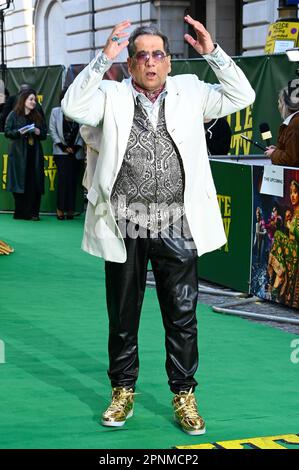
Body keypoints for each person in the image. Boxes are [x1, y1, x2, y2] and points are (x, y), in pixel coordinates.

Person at [62, 17, 255, 435]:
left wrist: (213, 53)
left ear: (169, 61)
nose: (151, 62)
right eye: (141, 55)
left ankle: (184, 393)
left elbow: (243, 94)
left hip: (176, 221)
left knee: (183, 315)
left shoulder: (191, 91)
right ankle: (122, 390)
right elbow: (74, 107)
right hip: (125, 220)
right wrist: (102, 59)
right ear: (130, 64)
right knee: (123, 314)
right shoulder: (110, 95)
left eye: (158, 55)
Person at [5, 89, 47, 221]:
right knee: (20, 182)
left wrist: (38, 131)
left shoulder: (37, 115)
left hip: (34, 154)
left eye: (35, 100)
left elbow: (44, 134)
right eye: (31, 99)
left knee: (34, 182)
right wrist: (19, 132)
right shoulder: (14, 114)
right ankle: (21, 213)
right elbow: (7, 131)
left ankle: (34, 213)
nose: (34, 102)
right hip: (19, 155)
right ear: (23, 100)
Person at [49, 90, 84, 220]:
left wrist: (76, 147)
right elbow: (52, 130)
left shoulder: (80, 111)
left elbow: (84, 130)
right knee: (63, 180)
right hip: (60, 152)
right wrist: (62, 146)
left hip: (76, 153)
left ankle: (70, 209)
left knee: (73, 181)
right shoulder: (55, 112)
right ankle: (60, 209)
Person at [265, 86, 299, 166]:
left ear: (285, 104)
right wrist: (277, 151)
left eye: (279, 103)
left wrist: (273, 154)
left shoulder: (295, 123)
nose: (278, 106)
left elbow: (291, 159)